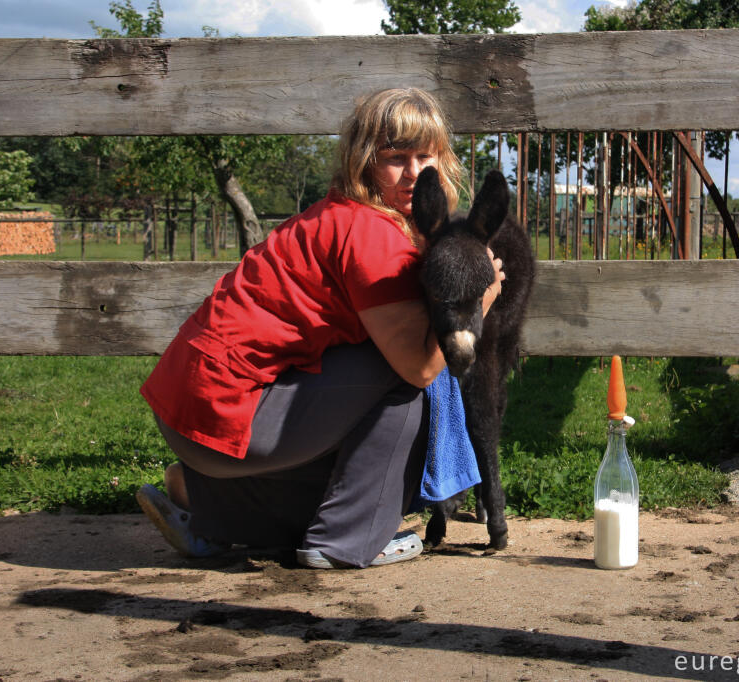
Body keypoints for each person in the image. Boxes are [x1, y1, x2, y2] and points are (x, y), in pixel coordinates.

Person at [136, 88, 504, 568]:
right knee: (407, 381)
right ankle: (347, 541)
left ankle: (203, 501)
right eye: (395, 158)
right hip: (227, 411)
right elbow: (418, 368)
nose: (414, 173)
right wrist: (484, 291)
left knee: (364, 419)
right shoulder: (375, 237)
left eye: (425, 156)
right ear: (364, 161)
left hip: (195, 407)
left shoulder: (339, 215)